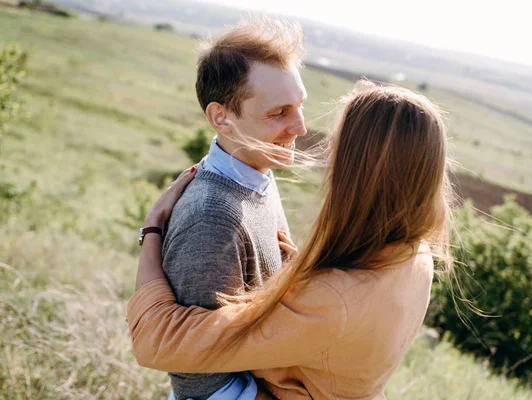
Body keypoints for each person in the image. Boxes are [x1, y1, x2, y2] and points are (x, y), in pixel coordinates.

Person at [129, 82, 454, 399]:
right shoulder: (417, 256)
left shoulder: (329, 302)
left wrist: (153, 229)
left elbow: (161, 342)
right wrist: (307, 276)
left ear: (358, 172)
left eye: (338, 145)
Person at [153, 17, 307, 400]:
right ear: (221, 118)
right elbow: (195, 373)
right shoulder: (212, 217)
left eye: (299, 106)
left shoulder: (257, 173)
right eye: (279, 113)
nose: (300, 127)